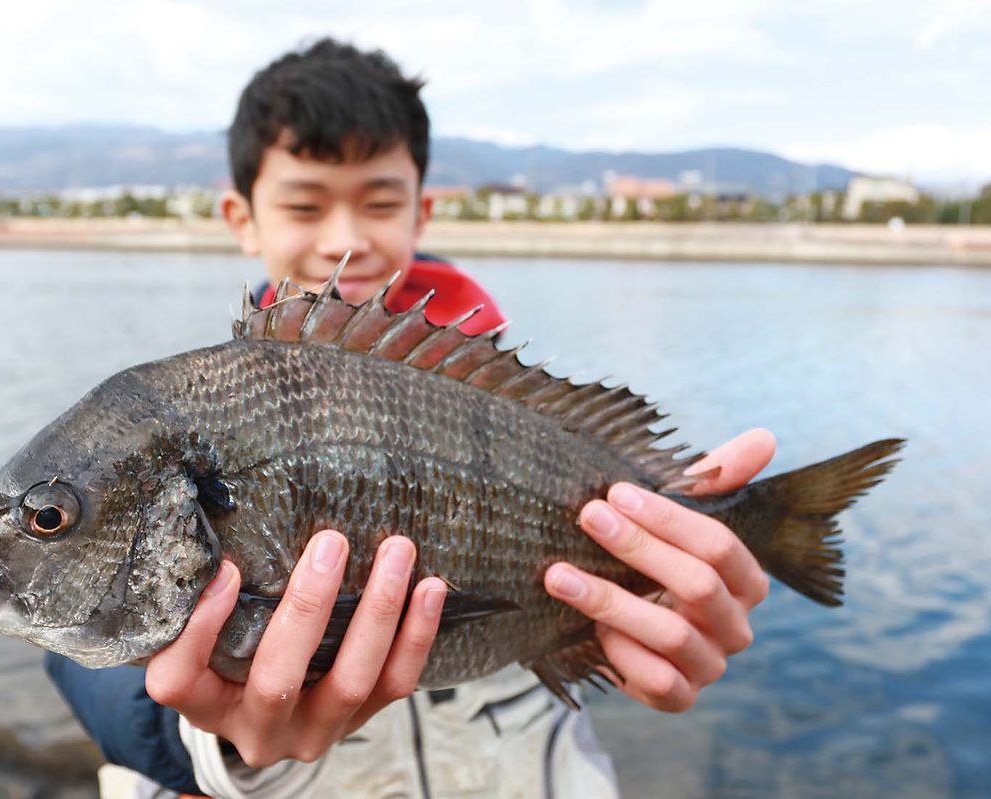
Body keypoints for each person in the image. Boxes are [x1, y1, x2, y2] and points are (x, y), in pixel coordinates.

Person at [45, 38, 775, 798]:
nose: (345, 239)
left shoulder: (523, 425)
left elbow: (590, 617)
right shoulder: (172, 420)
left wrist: (664, 619)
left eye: (381, 201)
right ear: (242, 217)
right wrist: (201, 727)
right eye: (303, 203)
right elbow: (74, 648)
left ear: (423, 209)